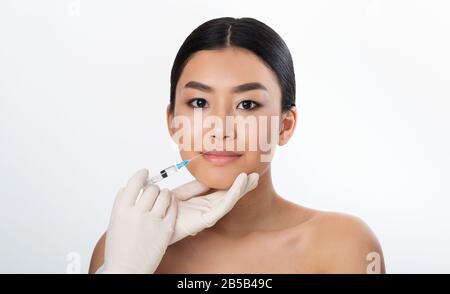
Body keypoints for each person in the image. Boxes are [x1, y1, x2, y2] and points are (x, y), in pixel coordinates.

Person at [89, 17, 385, 274]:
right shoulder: (124, 246)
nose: (221, 128)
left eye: (247, 104)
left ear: (285, 125)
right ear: (173, 121)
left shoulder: (344, 245)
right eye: (199, 102)